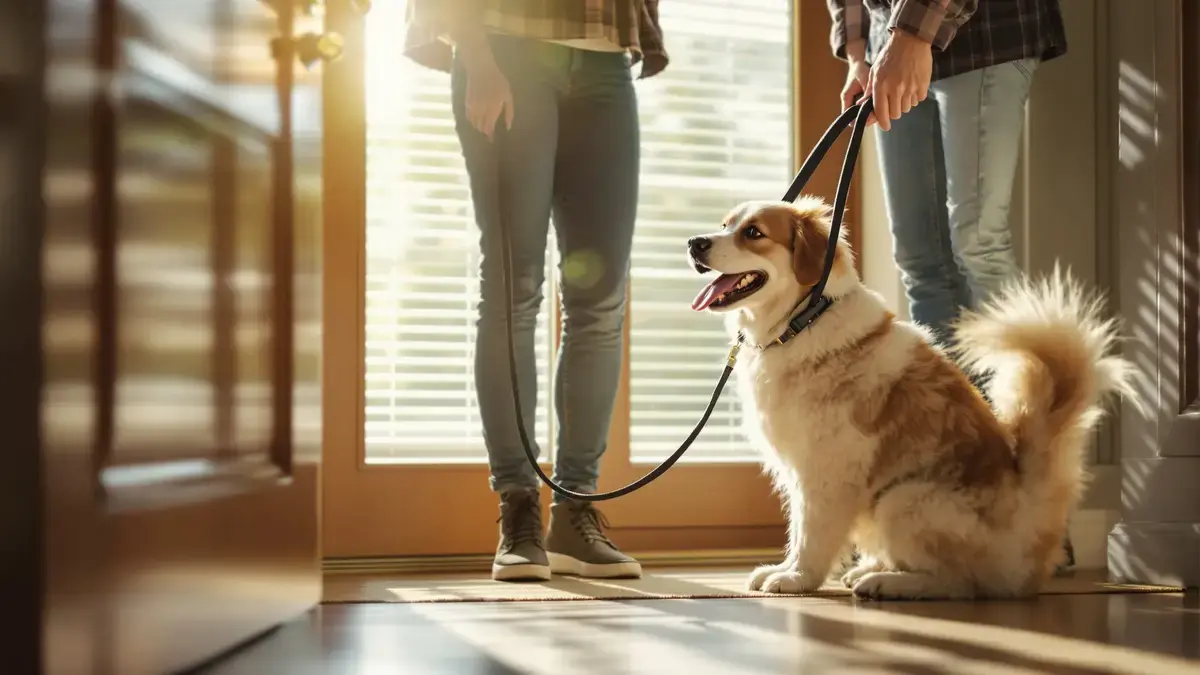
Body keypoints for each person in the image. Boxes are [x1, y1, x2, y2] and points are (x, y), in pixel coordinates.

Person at [404, 1, 668, 582]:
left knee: (600, 299)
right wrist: (475, 55)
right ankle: (519, 508)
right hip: (505, 50)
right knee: (512, 286)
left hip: (605, 66)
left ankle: (576, 509)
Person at [825, 0, 1073, 568]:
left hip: (982, 30)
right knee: (921, 261)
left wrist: (913, 33)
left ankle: (1033, 510)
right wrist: (860, 53)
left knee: (978, 248)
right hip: (892, 44)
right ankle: (966, 484)